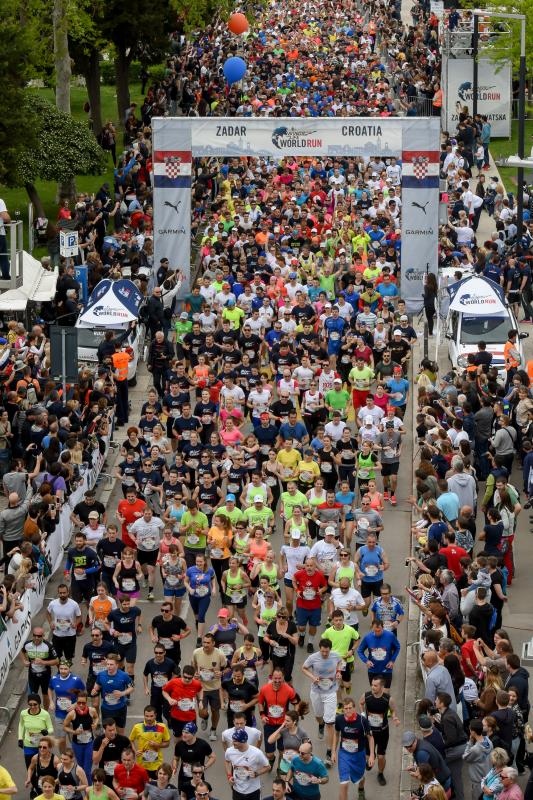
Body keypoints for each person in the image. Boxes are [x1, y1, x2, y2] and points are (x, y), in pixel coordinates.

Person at [301, 638, 342, 767]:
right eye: (323, 651)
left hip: (330, 691)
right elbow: (304, 668)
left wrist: (339, 672)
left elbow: (340, 662)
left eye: (327, 652)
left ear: (330, 649)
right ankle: (320, 724)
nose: (325, 654)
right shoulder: (313, 657)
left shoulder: (335, 656)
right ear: (320, 648)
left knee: (330, 723)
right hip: (317, 691)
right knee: (319, 716)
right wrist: (313, 678)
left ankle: (329, 753)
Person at [358, 677, 400, 786]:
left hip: (382, 732)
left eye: (375, 685)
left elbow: (393, 710)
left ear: (382, 687)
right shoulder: (366, 696)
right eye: (372, 684)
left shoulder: (388, 699)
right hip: (369, 732)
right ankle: (371, 758)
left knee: (381, 756)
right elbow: (360, 703)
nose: (372, 687)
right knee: (368, 757)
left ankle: (380, 774)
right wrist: (362, 714)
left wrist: (394, 718)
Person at [332, 696, 374, 800]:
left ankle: (361, 789)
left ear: (354, 708)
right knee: (344, 783)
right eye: (346, 708)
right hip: (344, 754)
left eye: (350, 708)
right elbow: (336, 734)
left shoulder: (362, 721)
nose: (348, 710)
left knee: (360, 778)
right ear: (343, 710)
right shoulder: (339, 719)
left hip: (358, 754)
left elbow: (370, 737)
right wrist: (333, 752)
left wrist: (372, 755)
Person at [92, 655, 135, 734]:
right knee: (107, 733)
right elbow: (96, 686)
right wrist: (94, 690)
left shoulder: (124, 675)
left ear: (117, 665)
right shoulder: (101, 675)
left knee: (120, 732)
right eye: (107, 664)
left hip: (120, 708)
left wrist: (122, 693)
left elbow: (132, 687)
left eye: (111, 664)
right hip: (106, 709)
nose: (109, 666)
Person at [63, 689, 99, 781]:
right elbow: (65, 726)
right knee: (80, 767)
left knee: (87, 769)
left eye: (83, 703)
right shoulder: (72, 714)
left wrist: (95, 724)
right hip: (77, 744)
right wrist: (74, 732)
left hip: (89, 743)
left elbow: (96, 717)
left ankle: (89, 789)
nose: (81, 705)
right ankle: (81, 786)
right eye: (79, 703)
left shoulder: (92, 710)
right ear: (76, 702)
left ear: (87, 702)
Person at [224, 728, 270, 800]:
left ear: (243, 741)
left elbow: (267, 767)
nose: (233, 743)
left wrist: (256, 773)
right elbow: (227, 761)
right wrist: (229, 776)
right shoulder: (229, 751)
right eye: (233, 740)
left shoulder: (256, 753)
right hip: (237, 790)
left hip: (253, 790)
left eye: (235, 741)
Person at [20, 627, 59, 710]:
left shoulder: (48, 646)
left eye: (39, 636)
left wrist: (43, 662)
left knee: (45, 695)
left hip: (45, 675)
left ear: (43, 636)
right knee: (33, 696)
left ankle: (45, 712)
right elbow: (21, 651)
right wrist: (24, 661)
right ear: (32, 635)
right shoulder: (27, 644)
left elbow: (56, 661)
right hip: (32, 675)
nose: (37, 638)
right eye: (35, 635)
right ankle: (34, 713)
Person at [173, 721, 215, 795]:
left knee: (199, 796)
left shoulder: (202, 744)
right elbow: (176, 758)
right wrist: (175, 766)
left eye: (187, 733)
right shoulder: (179, 744)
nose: (183, 735)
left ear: (193, 734)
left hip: (198, 776)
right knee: (183, 796)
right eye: (183, 732)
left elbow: (213, 757)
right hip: (184, 777)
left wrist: (204, 767)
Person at [129, 705, 171, 778]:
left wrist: (157, 745)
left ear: (155, 715)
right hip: (142, 764)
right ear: (144, 715)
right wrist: (135, 751)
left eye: (151, 716)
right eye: (146, 716)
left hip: (157, 764)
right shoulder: (137, 727)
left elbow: (167, 743)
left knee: (155, 786)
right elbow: (131, 740)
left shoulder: (161, 727)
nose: (149, 718)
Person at [357, 618, 401, 688]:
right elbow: (359, 650)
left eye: (379, 630)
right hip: (373, 669)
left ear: (383, 627)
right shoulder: (368, 637)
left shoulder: (390, 636)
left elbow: (397, 647)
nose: (377, 632)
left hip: (387, 668)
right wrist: (366, 661)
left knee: (386, 693)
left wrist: (392, 660)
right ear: (372, 628)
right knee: (375, 691)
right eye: (375, 630)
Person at [46, 584, 82, 662]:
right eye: (60, 593)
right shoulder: (53, 603)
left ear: (68, 592)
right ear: (58, 593)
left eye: (64, 592)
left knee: (69, 657)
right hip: (57, 635)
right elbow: (47, 613)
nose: (62, 594)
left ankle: (67, 672)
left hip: (70, 635)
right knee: (56, 657)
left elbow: (79, 616)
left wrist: (75, 623)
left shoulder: (74, 604)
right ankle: (60, 671)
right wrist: (50, 622)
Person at [92, 718, 132, 789]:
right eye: (110, 730)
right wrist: (102, 746)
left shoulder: (124, 740)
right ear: (104, 730)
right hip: (104, 776)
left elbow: (131, 758)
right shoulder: (98, 741)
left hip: (120, 775)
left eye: (114, 729)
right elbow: (95, 761)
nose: (112, 732)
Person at [18, 694, 54, 767]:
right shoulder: (23, 713)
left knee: (42, 767)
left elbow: (51, 728)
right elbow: (21, 725)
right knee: (30, 766)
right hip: (28, 744)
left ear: (39, 704)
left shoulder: (45, 714)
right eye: (30, 704)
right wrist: (20, 738)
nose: (32, 707)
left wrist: (47, 731)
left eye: (35, 704)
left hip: (42, 745)